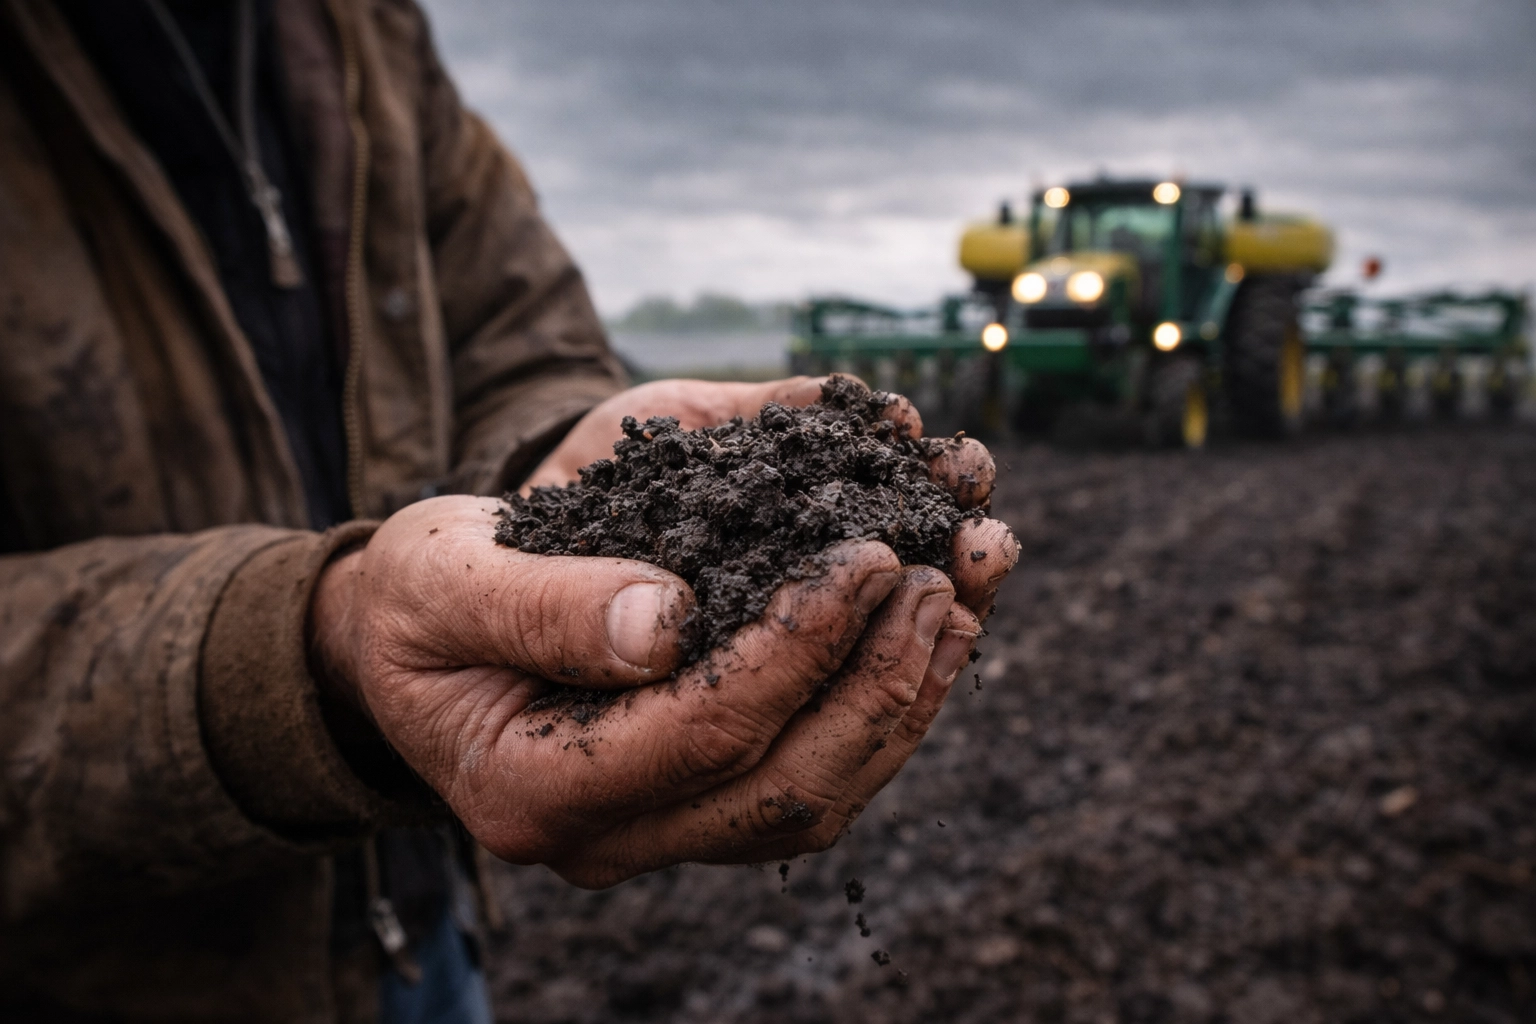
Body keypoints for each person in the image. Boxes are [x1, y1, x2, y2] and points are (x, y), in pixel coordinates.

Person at [0, 0, 1018, 1020]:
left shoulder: (358, 34)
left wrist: (556, 475)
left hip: (419, 932)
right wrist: (300, 658)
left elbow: (520, 333)